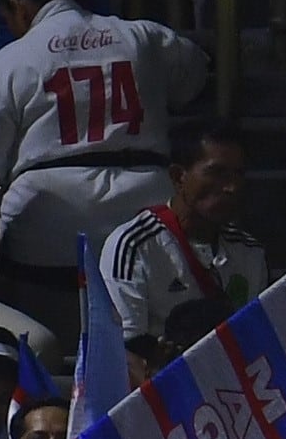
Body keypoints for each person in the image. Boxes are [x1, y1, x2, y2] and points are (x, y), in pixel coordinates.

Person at [0, 0, 212, 276]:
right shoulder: (142, 36)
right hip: (147, 213)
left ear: (18, 8)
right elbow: (195, 74)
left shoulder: (10, 61)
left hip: (47, 231)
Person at [92, 119, 263, 379]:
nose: (231, 187)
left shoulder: (249, 251)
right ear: (178, 176)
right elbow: (125, 355)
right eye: (217, 174)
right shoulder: (133, 246)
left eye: (237, 175)